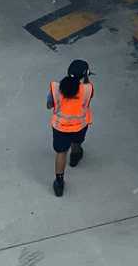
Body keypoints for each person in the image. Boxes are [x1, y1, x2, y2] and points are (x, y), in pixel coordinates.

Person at [46, 59, 94, 197]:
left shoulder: (56, 88)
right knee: (77, 141)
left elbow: (49, 105)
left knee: (61, 152)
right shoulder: (88, 89)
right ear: (85, 75)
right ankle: (75, 156)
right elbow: (86, 102)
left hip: (60, 128)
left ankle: (59, 182)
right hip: (80, 125)